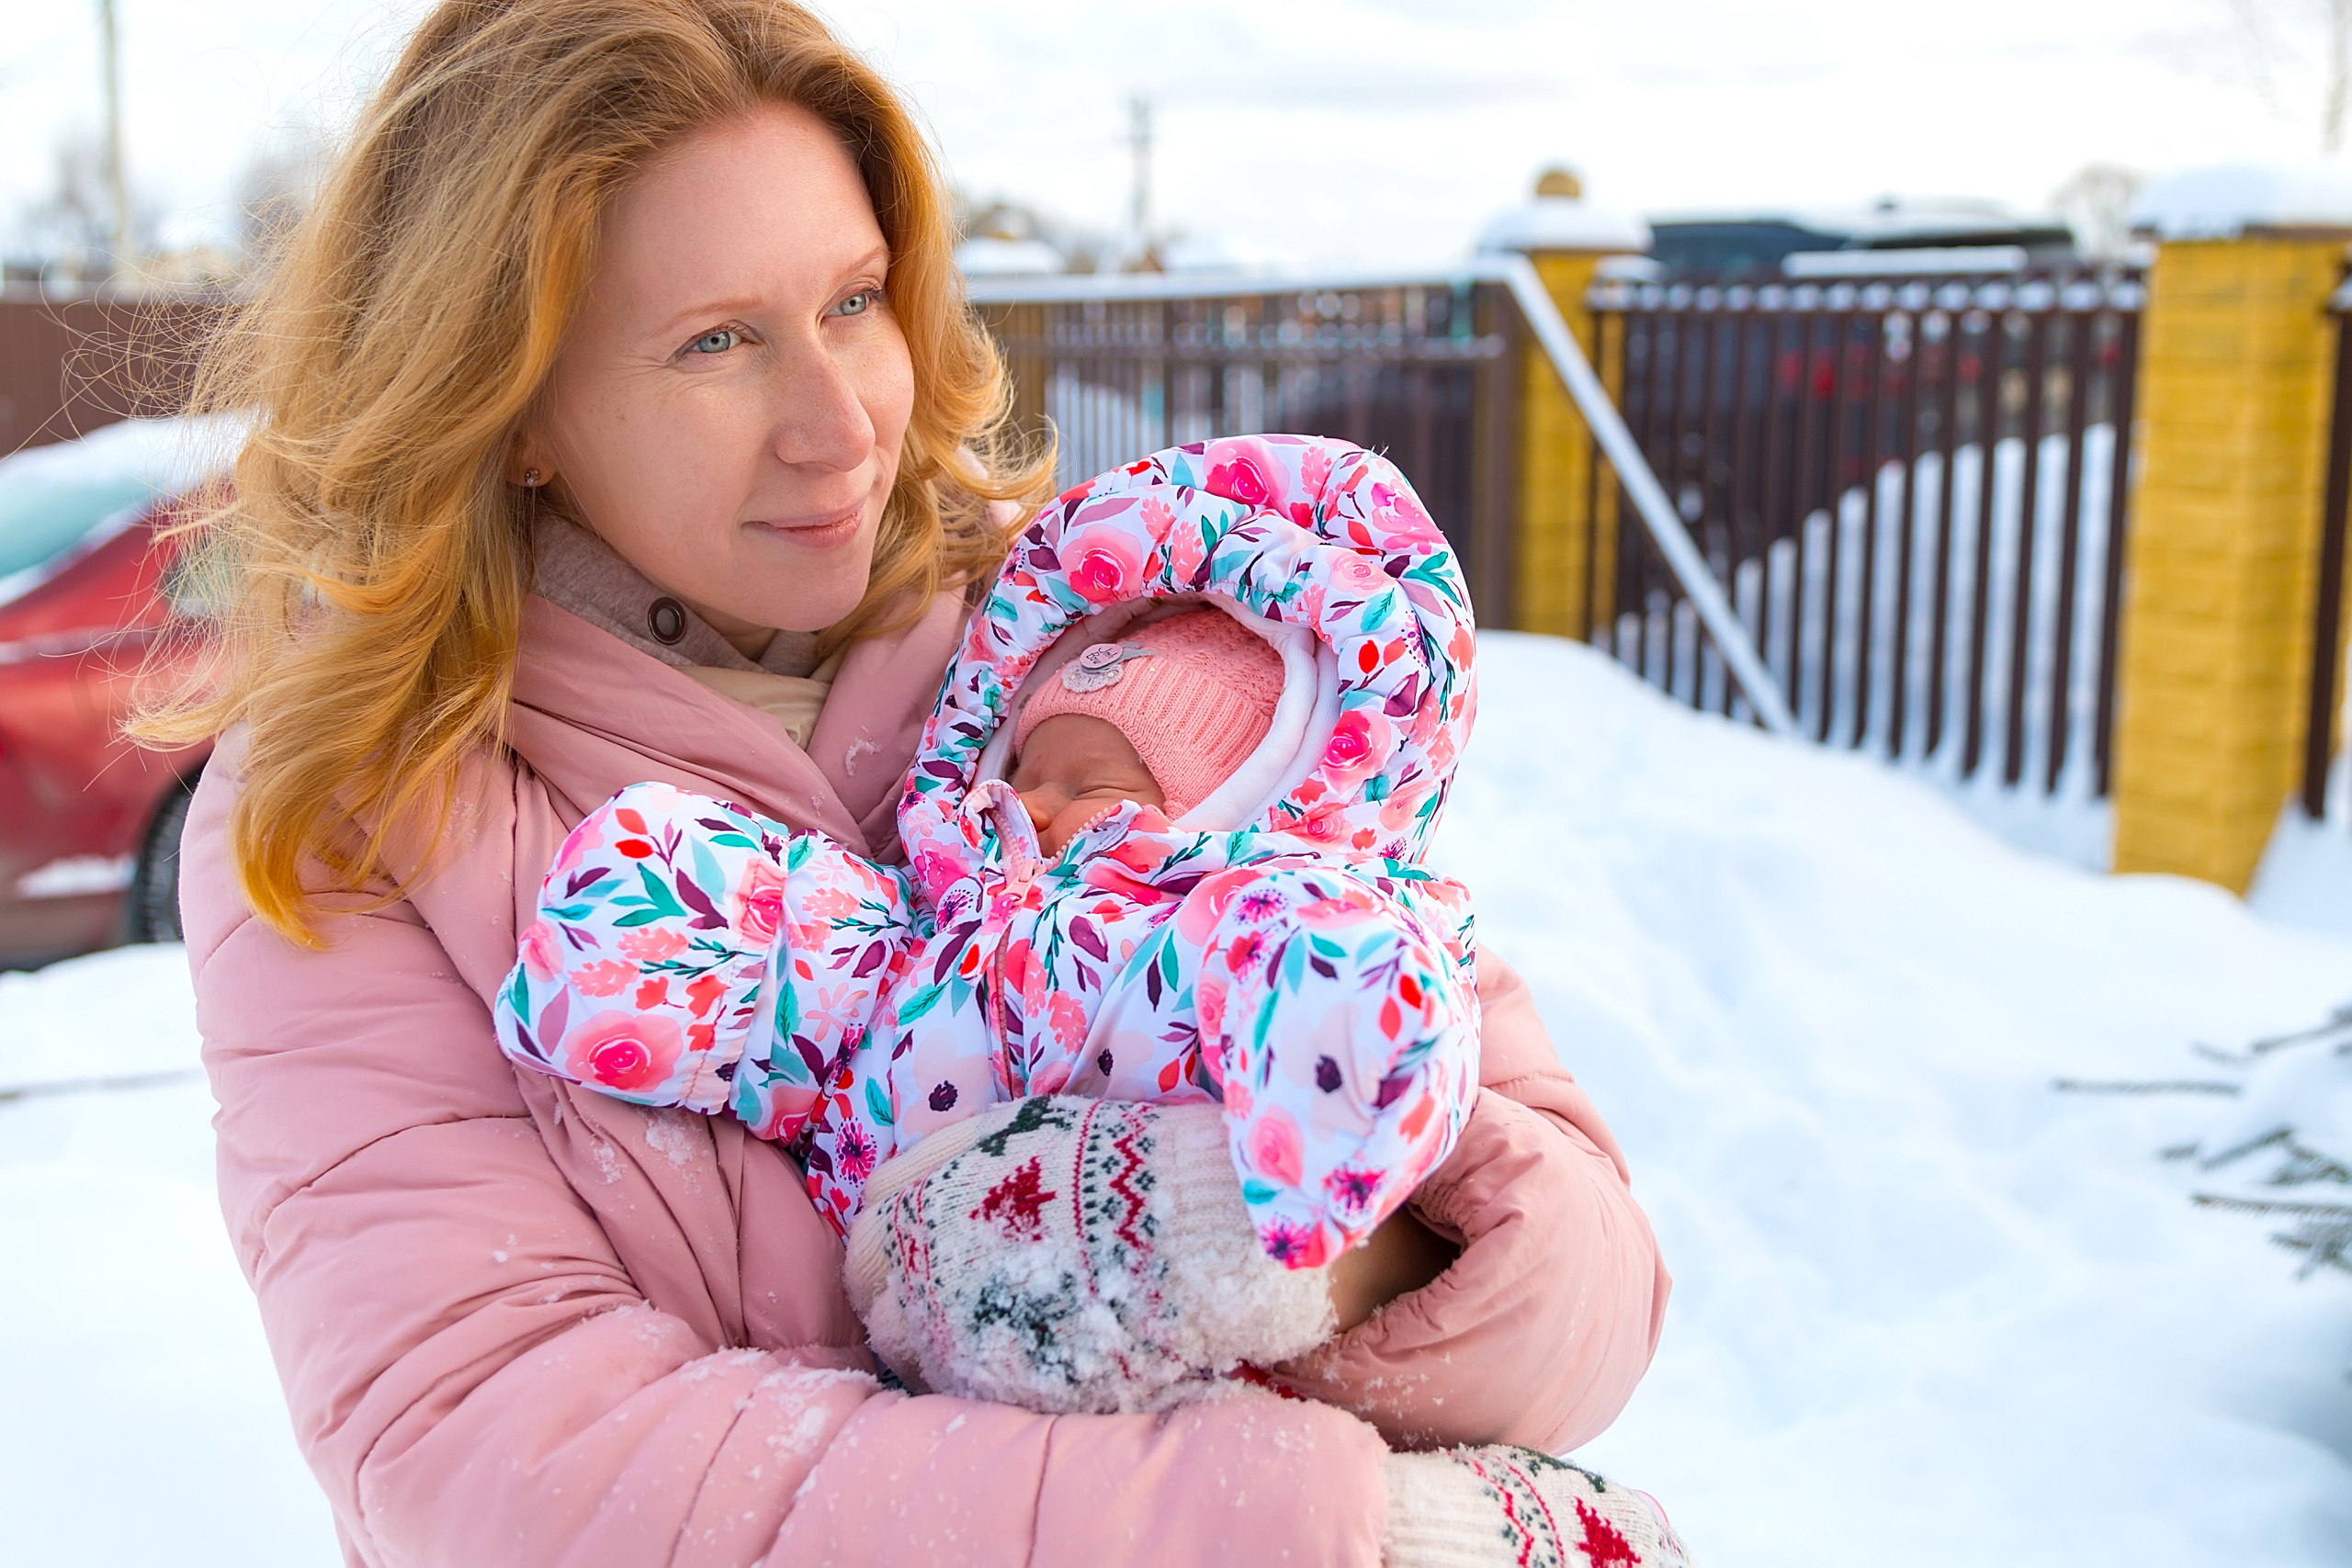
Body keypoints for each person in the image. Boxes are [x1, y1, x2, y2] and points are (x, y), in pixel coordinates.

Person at [144, 2, 1676, 1562]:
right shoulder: (362, 814)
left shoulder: (1085, 648)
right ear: (516, 400)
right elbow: (498, 1462)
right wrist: (1307, 1530)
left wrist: (1296, 1242)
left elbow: (1593, 1273)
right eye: (716, 341)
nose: (842, 422)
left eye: (855, 301)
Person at [495, 444, 1481, 1275]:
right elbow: (828, 967)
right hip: (884, 1251)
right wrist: (668, 909)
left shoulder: (1207, 936)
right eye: (1028, 769)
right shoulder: (938, 921)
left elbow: (1321, 975)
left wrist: (1353, 1023)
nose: (1032, 805)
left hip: (1102, 1261)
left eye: (1094, 786)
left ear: (1228, 809)